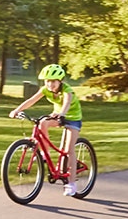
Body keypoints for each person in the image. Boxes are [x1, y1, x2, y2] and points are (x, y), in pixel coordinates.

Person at [9, 64, 85, 196]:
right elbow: (31, 100)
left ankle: (71, 184)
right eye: (47, 81)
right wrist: (17, 110)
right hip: (57, 115)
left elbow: (67, 103)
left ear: (60, 81)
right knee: (42, 123)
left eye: (53, 81)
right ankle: (45, 154)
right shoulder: (45, 90)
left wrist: (62, 113)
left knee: (68, 150)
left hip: (72, 118)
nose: (50, 84)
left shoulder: (67, 90)